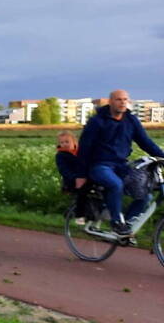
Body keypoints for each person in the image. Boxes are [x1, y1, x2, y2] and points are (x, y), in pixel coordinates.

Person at [78, 89, 164, 236]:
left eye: (125, 99)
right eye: (118, 99)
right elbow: (84, 147)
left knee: (145, 194)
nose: (123, 102)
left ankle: (126, 227)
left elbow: (145, 142)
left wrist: (162, 156)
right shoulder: (97, 121)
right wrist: (80, 174)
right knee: (115, 184)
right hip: (100, 165)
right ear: (110, 102)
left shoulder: (131, 120)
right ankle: (116, 223)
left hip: (121, 165)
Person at [55, 130, 90, 221]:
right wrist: (75, 178)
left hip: (84, 177)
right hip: (71, 181)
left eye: (67, 142)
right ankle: (79, 215)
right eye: (62, 142)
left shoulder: (80, 152)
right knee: (83, 189)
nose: (64, 144)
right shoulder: (61, 156)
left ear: (74, 141)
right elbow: (64, 170)